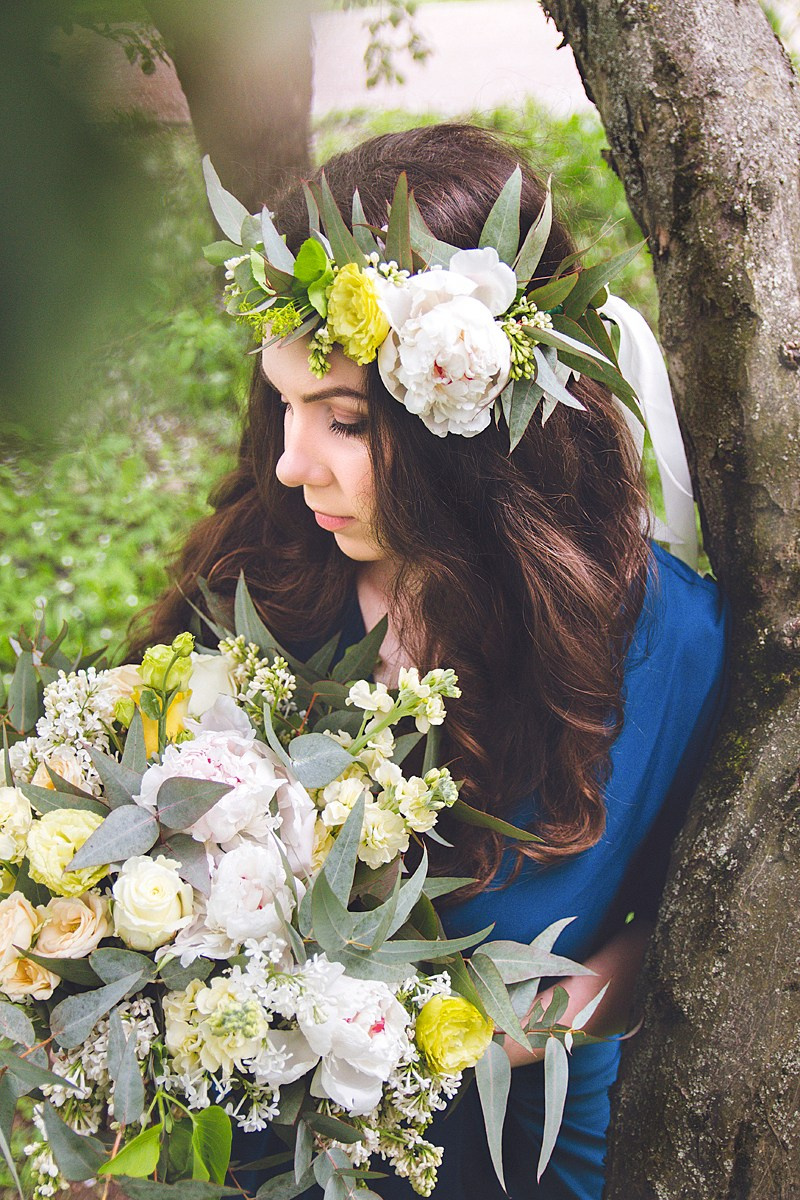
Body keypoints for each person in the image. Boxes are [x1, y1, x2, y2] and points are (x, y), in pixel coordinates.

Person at [136, 124, 728, 1198]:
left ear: (471, 425)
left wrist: (463, 1039)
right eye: (282, 403)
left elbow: (670, 944)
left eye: (345, 420)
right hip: (243, 1140)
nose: (287, 461)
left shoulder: (663, 645)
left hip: (498, 1159)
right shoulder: (267, 568)